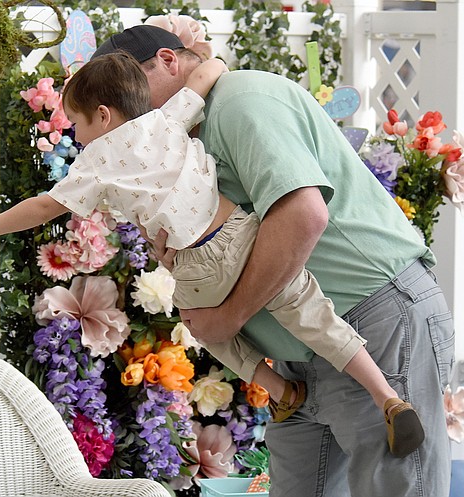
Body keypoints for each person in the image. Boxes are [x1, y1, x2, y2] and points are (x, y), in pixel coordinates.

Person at [0, 50, 423, 458]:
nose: (77, 136)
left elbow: (42, 207)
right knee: (317, 318)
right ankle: (387, 397)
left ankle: (281, 390)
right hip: (245, 234)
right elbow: (205, 74)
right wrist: (211, 60)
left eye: (77, 123)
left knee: (206, 328)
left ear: (102, 116)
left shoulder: (94, 162)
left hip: (196, 266)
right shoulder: (166, 121)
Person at [93, 24, 454, 497]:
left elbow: (303, 215)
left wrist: (228, 317)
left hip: (373, 317)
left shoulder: (241, 100)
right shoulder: (170, 145)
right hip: (299, 353)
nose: (127, 111)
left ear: (167, 59)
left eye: (128, 88)